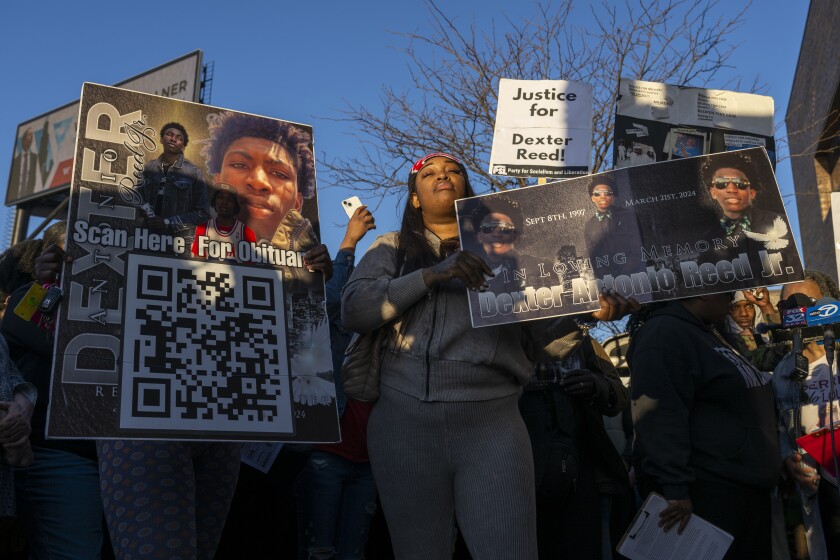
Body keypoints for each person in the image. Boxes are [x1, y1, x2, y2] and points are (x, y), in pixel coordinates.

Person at [341, 151, 634, 559]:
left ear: (469, 191)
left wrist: (586, 317)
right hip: (403, 423)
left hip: (493, 423)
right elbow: (355, 310)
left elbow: (543, 344)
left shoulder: (512, 254)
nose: (443, 176)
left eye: (454, 171)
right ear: (415, 199)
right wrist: (431, 275)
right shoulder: (391, 248)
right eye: (430, 173)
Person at [628, 293, 781, 559]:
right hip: (708, 500)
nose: (732, 299)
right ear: (705, 289)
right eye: (727, 292)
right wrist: (674, 488)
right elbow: (657, 416)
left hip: (744, 495)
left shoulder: (709, 331)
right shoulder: (664, 334)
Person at [3, 223, 107, 559]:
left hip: (109, 457)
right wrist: (45, 282)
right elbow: (59, 342)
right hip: (59, 455)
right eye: (66, 255)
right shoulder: (29, 299)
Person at [296, 204, 379, 559]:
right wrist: (349, 243)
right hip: (327, 455)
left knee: (354, 552)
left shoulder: (387, 327)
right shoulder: (336, 323)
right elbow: (326, 302)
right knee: (320, 551)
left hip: (371, 461)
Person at [519, 333, 630, 559]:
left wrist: (595, 384)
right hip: (517, 466)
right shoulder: (503, 332)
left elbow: (618, 394)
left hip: (578, 469)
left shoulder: (582, 339)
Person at [771, 270, 840, 559]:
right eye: (788, 306)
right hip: (818, 495)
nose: (798, 311)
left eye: (806, 301)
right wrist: (788, 458)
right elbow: (782, 429)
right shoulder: (783, 373)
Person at [202, 112, 318, 250]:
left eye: (278, 174)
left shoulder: (313, 267)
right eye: (240, 165)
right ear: (217, 182)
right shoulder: (179, 246)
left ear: (297, 204)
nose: (258, 182)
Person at [461, 197, 547, 294]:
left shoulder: (543, 266)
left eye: (505, 228)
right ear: (479, 236)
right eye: (488, 228)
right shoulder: (467, 273)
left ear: (516, 236)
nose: (496, 234)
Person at [141, 122, 210, 231]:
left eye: (179, 138)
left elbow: (202, 213)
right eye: (169, 134)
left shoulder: (194, 172)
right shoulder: (148, 167)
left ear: (183, 146)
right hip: (145, 237)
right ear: (161, 139)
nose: (173, 139)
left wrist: (167, 223)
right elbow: (137, 199)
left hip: (177, 241)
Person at [582, 176, 646, 279]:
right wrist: (608, 279)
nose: (603, 197)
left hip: (635, 276)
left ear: (613, 197)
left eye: (607, 193)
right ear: (592, 198)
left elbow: (638, 248)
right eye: (597, 193)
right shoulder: (589, 226)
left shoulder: (629, 216)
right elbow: (594, 258)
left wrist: (623, 275)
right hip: (609, 282)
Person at [190, 183, 257, 262]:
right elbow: (198, 263)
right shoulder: (203, 229)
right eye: (220, 197)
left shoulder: (246, 233)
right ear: (214, 200)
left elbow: (250, 268)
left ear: (235, 204)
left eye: (230, 199)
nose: (224, 202)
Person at [10, 128, 38, 196]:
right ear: (24, 139)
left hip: (30, 196)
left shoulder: (35, 158)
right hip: (15, 196)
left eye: (32, 135)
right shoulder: (16, 161)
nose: (31, 136)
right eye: (29, 134)